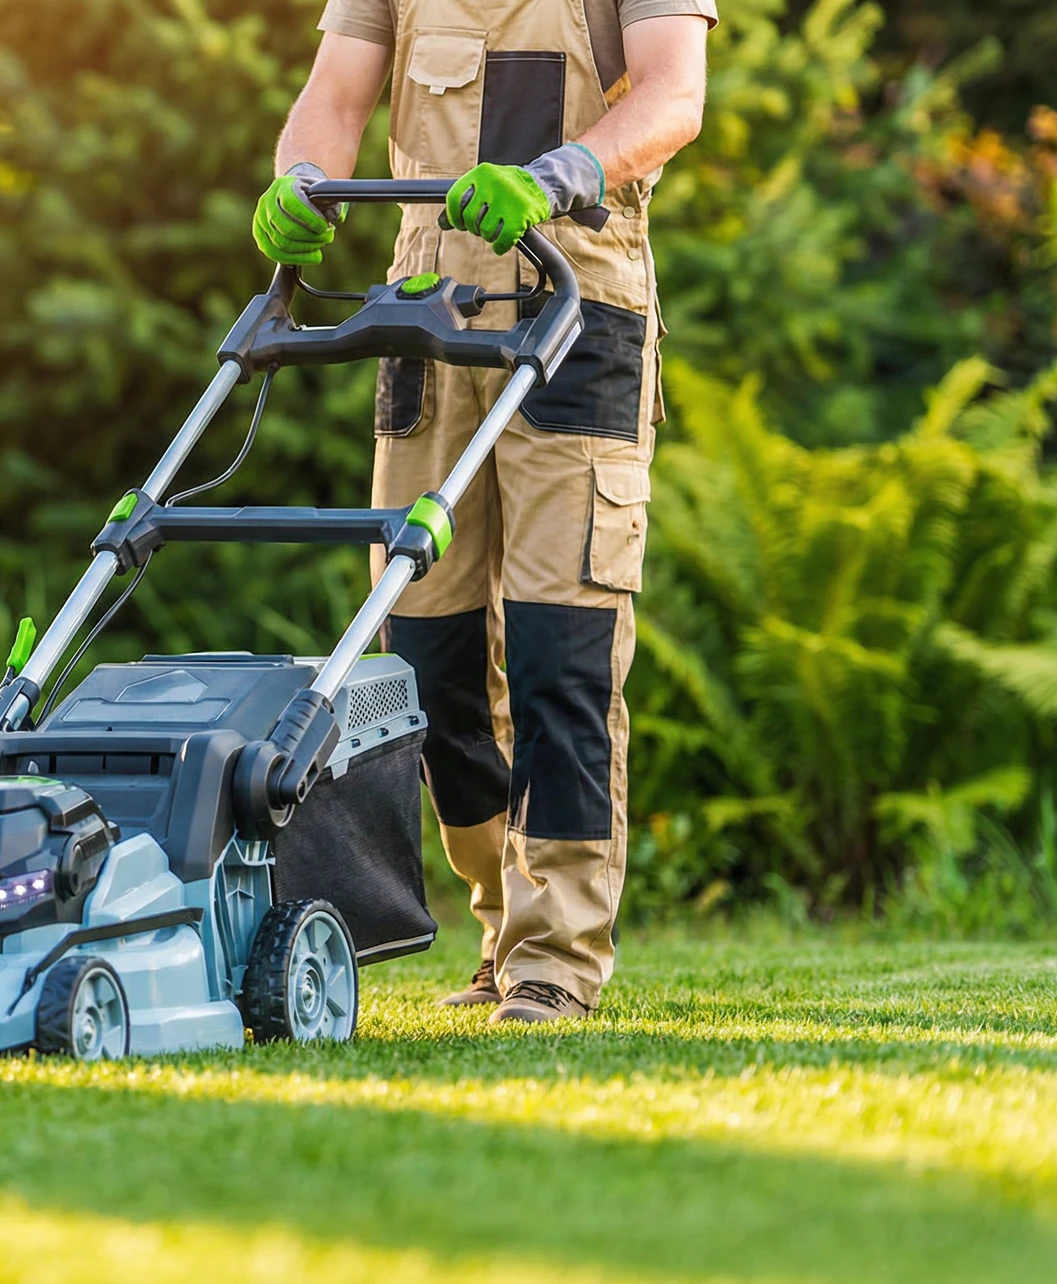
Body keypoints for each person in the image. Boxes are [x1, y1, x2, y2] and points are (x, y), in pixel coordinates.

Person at [255, 0, 714, 1023]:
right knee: (421, 665)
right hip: (427, 316)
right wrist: (298, 179)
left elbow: (671, 95)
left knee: (563, 646)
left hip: (574, 301)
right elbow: (330, 99)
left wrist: (557, 172)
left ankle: (554, 957)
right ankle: (501, 923)